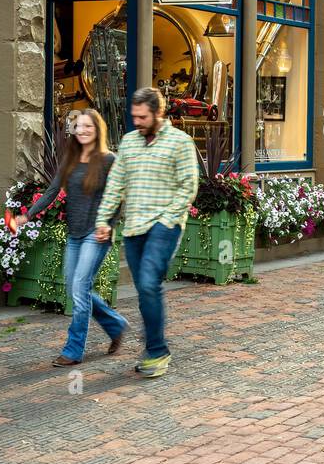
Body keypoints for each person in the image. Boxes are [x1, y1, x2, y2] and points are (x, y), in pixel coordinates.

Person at [95, 87, 199, 379]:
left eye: (142, 117)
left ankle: (157, 350)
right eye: (134, 116)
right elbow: (116, 183)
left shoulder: (180, 142)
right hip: (134, 226)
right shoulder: (128, 143)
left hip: (164, 226)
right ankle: (155, 345)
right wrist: (104, 219)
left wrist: (167, 220)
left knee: (150, 283)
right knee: (143, 289)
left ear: (158, 113)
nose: (137, 122)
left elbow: (188, 185)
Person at [15, 109, 128, 367]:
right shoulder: (70, 160)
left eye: (88, 126)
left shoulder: (109, 160)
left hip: (96, 234)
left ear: (98, 130)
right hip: (75, 233)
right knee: (77, 288)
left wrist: (109, 225)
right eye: (79, 126)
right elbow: (52, 192)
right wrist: (28, 215)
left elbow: (119, 197)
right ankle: (116, 324)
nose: (83, 130)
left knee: (79, 289)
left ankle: (73, 350)